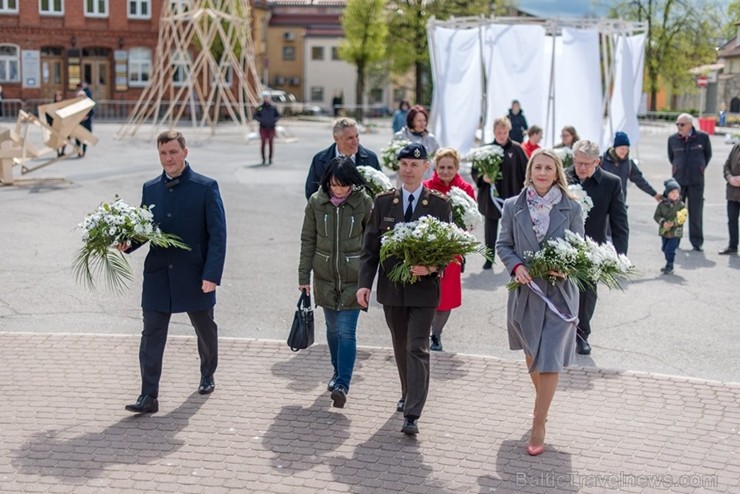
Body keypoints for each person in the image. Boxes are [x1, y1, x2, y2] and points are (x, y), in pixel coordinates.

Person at [121, 131, 227, 414]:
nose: (168, 158)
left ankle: (207, 372)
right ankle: (149, 396)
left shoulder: (206, 187)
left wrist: (211, 275)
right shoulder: (150, 188)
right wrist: (128, 243)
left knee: (205, 329)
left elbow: (218, 235)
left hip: (194, 274)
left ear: (185, 152)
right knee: (151, 335)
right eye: (163, 153)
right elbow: (145, 230)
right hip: (158, 275)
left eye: (173, 152)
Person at [356, 142, 452, 436]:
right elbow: (370, 249)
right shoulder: (384, 202)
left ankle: (412, 412)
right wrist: (364, 285)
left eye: (415, 164)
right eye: (404, 164)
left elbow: (448, 252)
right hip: (392, 291)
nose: (408, 170)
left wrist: (432, 268)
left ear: (426, 168)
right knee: (400, 346)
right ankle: (407, 391)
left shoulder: (439, 204)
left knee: (417, 346)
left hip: (424, 291)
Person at [497, 148, 584, 456]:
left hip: (559, 294)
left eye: (549, 168)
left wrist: (567, 266)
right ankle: (542, 405)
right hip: (526, 293)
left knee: (548, 357)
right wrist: (517, 266)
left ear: (557, 172)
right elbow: (503, 244)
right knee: (533, 356)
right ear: (530, 171)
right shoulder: (512, 206)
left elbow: (579, 249)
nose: (543, 172)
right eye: (538, 167)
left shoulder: (572, 208)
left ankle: (539, 423)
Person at [299, 156, 373, 409]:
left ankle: (342, 383)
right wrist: (303, 277)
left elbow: (372, 242)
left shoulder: (363, 202)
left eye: (344, 185)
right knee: (332, 330)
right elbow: (308, 240)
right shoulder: (316, 203)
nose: (339, 190)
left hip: (354, 279)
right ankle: (336, 371)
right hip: (324, 278)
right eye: (334, 184)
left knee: (346, 331)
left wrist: (369, 279)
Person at [565, 140, 628, 355]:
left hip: (592, 248)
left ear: (597, 162)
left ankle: (582, 335)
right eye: (578, 162)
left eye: (587, 163)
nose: (581, 168)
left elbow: (620, 222)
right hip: (561, 244)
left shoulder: (611, 183)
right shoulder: (561, 177)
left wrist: (620, 256)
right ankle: (560, 332)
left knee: (587, 293)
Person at [422, 147, 476, 352]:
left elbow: (472, 220)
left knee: (446, 297)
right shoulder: (426, 186)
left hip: (452, 252)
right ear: (436, 167)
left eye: (450, 167)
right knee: (426, 294)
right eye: (442, 167)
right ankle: (423, 332)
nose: (445, 171)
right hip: (427, 250)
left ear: (457, 168)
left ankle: (436, 335)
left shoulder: (466, 190)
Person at [471, 116, 528, 269]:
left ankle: (516, 258)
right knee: (490, 228)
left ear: (508, 131)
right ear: (494, 132)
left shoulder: (517, 149)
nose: (501, 135)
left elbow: (527, 170)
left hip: (512, 195)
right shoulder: (486, 150)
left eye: (504, 132)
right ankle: (489, 258)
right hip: (491, 197)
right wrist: (483, 178)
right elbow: (474, 171)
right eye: (498, 132)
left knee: (514, 229)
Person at [305, 117, 380, 199]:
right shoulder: (319, 160)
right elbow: (311, 193)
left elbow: (380, 190)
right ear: (336, 138)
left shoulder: (371, 158)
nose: (355, 142)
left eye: (357, 136)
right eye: (350, 138)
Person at [667, 113, 712, 252]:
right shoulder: (672, 139)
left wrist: (700, 168)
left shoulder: (703, 138)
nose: (679, 127)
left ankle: (697, 242)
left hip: (696, 181)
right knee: (678, 213)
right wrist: (677, 169)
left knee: (696, 212)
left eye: (682, 124)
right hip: (678, 182)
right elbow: (671, 157)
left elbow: (707, 155)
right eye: (677, 124)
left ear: (690, 125)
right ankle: (676, 240)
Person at [600, 131, 661, 203]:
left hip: (619, 202)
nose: (624, 151)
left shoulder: (629, 163)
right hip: (602, 201)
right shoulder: (602, 161)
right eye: (622, 148)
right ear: (615, 148)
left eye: (626, 149)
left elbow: (640, 180)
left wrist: (654, 194)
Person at [654, 178, 686, 275]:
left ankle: (670, 264)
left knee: (670, 249)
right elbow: (656, 216)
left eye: (677, 192)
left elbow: (683, 217)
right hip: (665, 231)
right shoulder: (662, 205)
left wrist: (674, 223)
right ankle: (668, 262)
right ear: (667, 193)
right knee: (664, 248)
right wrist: (663, 222)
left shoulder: (681, 205)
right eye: (672, 192)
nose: (675, 194)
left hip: (675, 232)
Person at [719, 142, 740, 255]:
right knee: (732, 220)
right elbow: (726, 166)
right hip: (733, 193)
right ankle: (733, 246)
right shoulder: (736, 147)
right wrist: (730, 178)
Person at [254, 92, 280, 166]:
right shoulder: (260, 107)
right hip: (263, 128)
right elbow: (255, 116)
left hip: (271, 128)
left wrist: (273, 120)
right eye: (264, 97)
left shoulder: (273, 107)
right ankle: (263, 159)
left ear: (270, 97)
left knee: (271, 144)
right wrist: (261, 120)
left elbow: (278, 116)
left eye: (267, 97)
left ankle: (270, 159)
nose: (266, 98)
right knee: (263, 144)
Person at [75, 86, 94, 158]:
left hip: (86, 123)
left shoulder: (88, 103)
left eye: (82, 96)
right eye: (80, 96)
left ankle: (84, 151)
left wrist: (86, 117)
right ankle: (78, 151)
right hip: (78, 123)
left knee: (85, 138)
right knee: (77, 138)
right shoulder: (76, 104)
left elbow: (92, 112)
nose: (81, 97)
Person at [46, 90, 66, 157]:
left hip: (63, 125)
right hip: (54, 124)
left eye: (59, 96)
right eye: (57, 96)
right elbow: (48, 114)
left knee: (64, 138)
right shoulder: (52, 105)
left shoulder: (64, 105)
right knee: (56, 139)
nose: (58, 97)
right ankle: (58, 152)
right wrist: (50, 123)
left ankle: (63, 151)